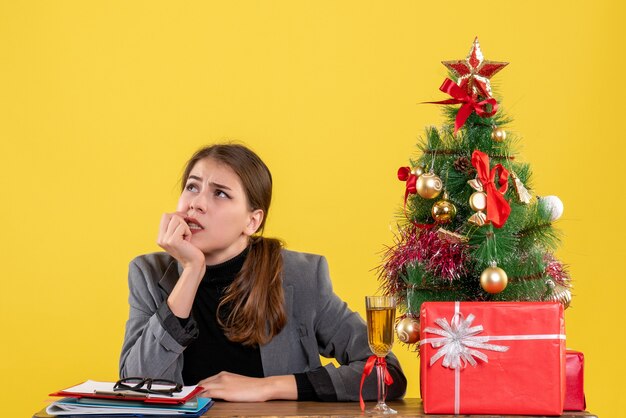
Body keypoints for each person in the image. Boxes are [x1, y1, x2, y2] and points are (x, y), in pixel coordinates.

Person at [119, 144, 407, 402]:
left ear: (252, 221)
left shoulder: (301, 276)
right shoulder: (148, 273)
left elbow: (387, 373)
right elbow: (136, 384)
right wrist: (192, 271)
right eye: (192, 187)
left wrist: (268, 387)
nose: (197, 203)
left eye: (220, 193)